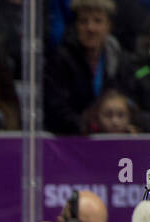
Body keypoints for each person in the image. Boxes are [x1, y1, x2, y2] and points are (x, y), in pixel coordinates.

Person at [45, 0, 133, 136]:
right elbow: (56, 107)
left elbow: (126, 98)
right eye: (83, 21)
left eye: (98, 21)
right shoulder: (60, 58)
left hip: (112, 137)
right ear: (76, 26)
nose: (90, 28)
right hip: (69, 139)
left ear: (109, 26)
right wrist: (88, 127)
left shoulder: (119, 58)